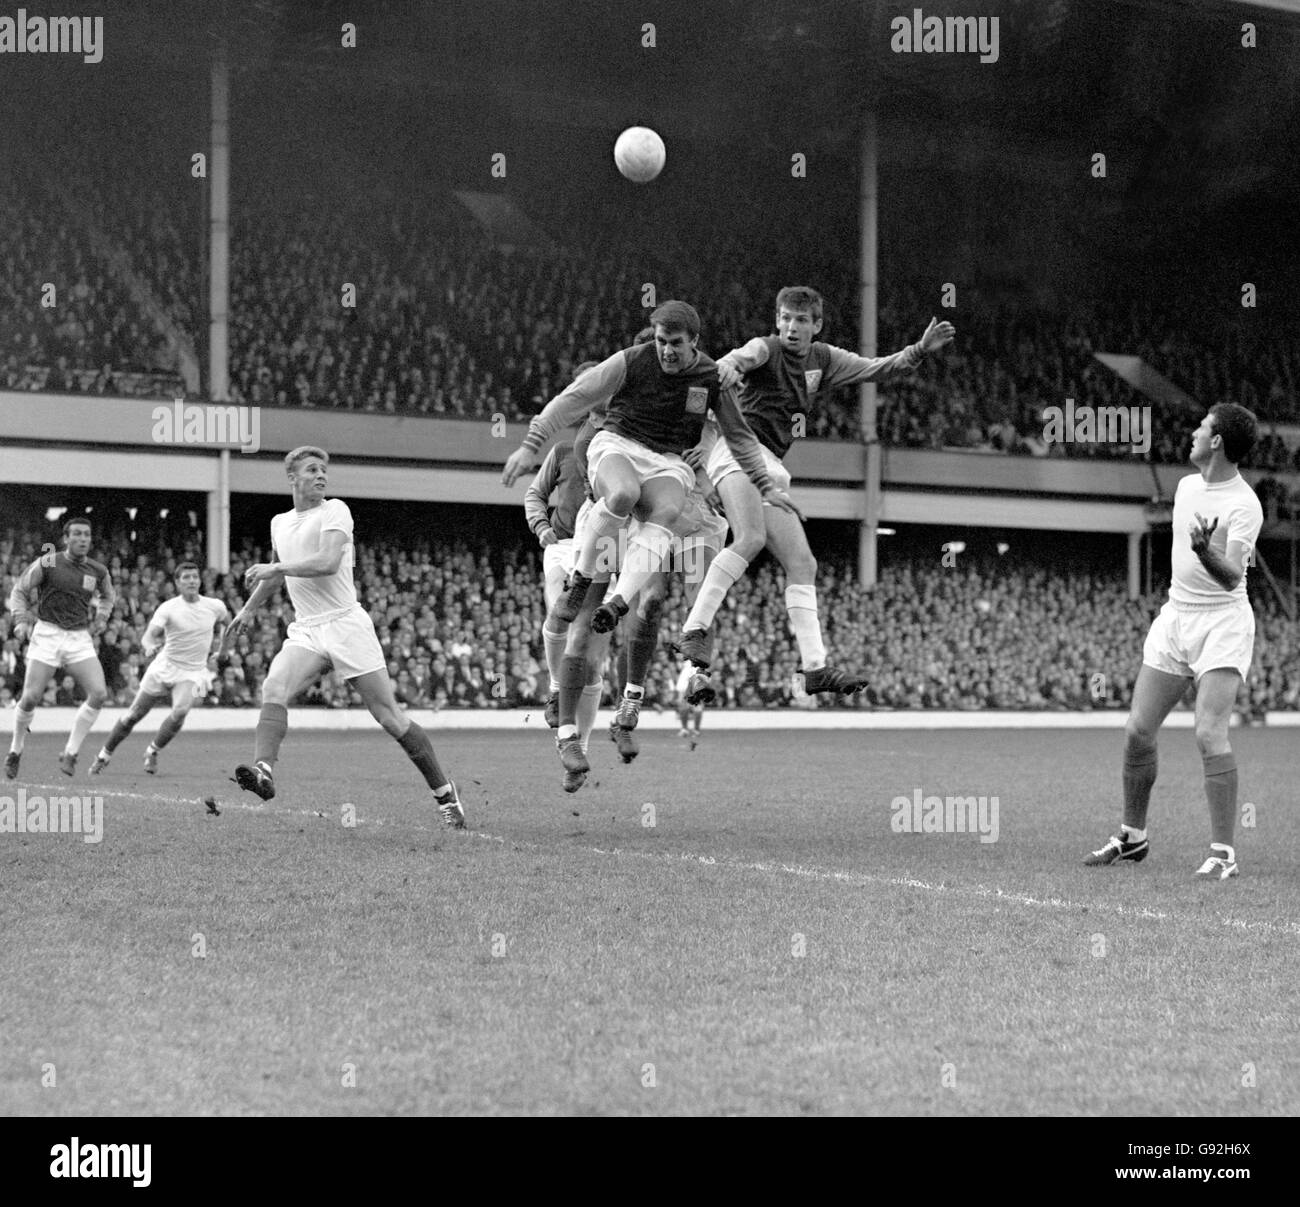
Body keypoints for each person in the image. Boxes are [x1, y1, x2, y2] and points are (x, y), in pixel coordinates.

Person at [502, 301, 798, 789]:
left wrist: (750, 473)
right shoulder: (593, 433)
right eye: (657, 342)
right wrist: (532, 450)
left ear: (692, 343)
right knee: (580, 632)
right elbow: (574, 404)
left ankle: (631, 701)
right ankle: (569, 720)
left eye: (672, 343)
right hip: (609, 531)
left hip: (650, 524)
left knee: (654, 599)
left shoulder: (698, 388)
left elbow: (732, 434)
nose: (663, 352)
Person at [676, 286, 955, 701]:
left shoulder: (823, 359)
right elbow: (735, 360)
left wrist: (918, 349)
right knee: (750, 537)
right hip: (737, 449)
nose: (792, 327)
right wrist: (729, 368)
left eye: (802, 320)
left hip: (770, 462)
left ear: (816, 325)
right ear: (777, 321)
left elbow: (877, 369)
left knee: (804, 563)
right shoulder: (765, 349)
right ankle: (694, 631)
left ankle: (815, 668)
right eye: (786, 318)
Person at [226, 446, 465, 828]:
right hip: (306, 628)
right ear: (292, 477)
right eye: (312, 469)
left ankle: (445, 795)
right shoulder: (279, 522)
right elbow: (277, 577)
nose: (321, 475)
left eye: (324, 470)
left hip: (346, 625)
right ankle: (264, 771)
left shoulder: (336, 510)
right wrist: (247, 610)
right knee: (273, 688)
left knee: (390, 718)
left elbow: (327, 562)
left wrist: (276, 566)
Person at [1084, 404, 1262, 880]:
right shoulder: (1185, 487)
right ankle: (1132, 837)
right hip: (1176, 615)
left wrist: (1205, 549)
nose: (1194, 433)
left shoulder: (1244, 503)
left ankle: (1224, 853)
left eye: (1203, 427)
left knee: (1209, 733)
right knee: (1138, 730)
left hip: (1222, 622)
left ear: (1218, 440)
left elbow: (1230, 579)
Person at [89, 563, 228, 775]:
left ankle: (152, 751)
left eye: (195, 577)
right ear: (177, 583)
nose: (192, 581)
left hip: (191, 672)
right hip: (163, 668)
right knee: (132, 716)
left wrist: (224, 648)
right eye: (186, 578)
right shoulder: (168, 608)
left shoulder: (215, 606)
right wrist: (148, 647)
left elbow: (229, 625)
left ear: (200, 580)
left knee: (181, 711)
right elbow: (148, 636)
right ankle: (104, 755)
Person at [5, 518, 115, 779]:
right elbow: (20, 590)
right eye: (76, 534)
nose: (83, 539)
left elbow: (108, 596)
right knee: (30, 698)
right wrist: (21, 620)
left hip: (78, 638)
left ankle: (71, 752)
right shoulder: (49, 562)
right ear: (66, 538)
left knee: (99, 694)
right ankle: (15, 750)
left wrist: (101, 618)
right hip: (48, 634)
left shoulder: (97, 570)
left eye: (87, 534)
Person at [522, 361, 599, 728]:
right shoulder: (564, 450)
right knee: (558, 611)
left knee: (590, 656)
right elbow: (534, 494)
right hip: (563, 544)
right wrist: (541, 528)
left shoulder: (619, 448)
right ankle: (555, 689)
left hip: (602, 550)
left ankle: (577, 736)